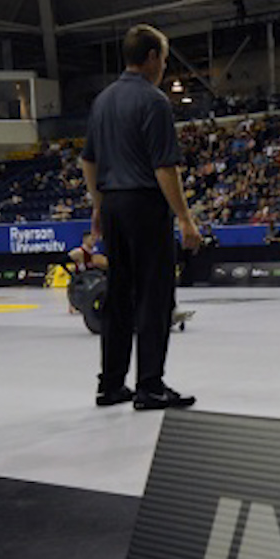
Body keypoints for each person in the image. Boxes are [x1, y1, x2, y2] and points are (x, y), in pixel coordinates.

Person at [81, 23, 201, 410]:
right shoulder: (154, 102)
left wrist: (98, 205)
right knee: (154, 295)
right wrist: (184, 218)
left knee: (119, 294)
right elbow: (165, 167)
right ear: (151, 58)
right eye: (164, 60)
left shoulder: (102, 101)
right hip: (144, 206)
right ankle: (150, 385)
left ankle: (111, 384)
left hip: (113, 204)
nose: (164, 67)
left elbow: (89, 161)